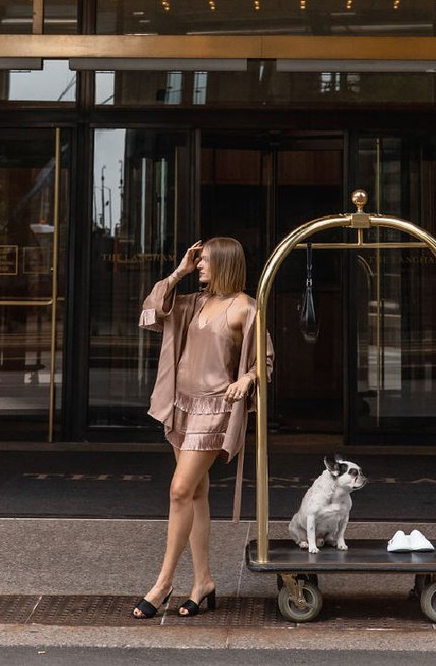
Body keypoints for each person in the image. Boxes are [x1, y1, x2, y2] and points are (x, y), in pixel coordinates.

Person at [132, 236, 274, 619]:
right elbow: (152, 309)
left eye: (206, 261)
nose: (200, 266)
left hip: (214, 411)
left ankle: (163, 583)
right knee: (195, 494)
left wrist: (247, 379)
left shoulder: (246, 308)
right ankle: (203, 580)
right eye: (199, 261)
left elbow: (266, 360)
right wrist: (179, 270)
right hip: (182, 406)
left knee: (179, 490)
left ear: (226, 264)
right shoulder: (192, 302)